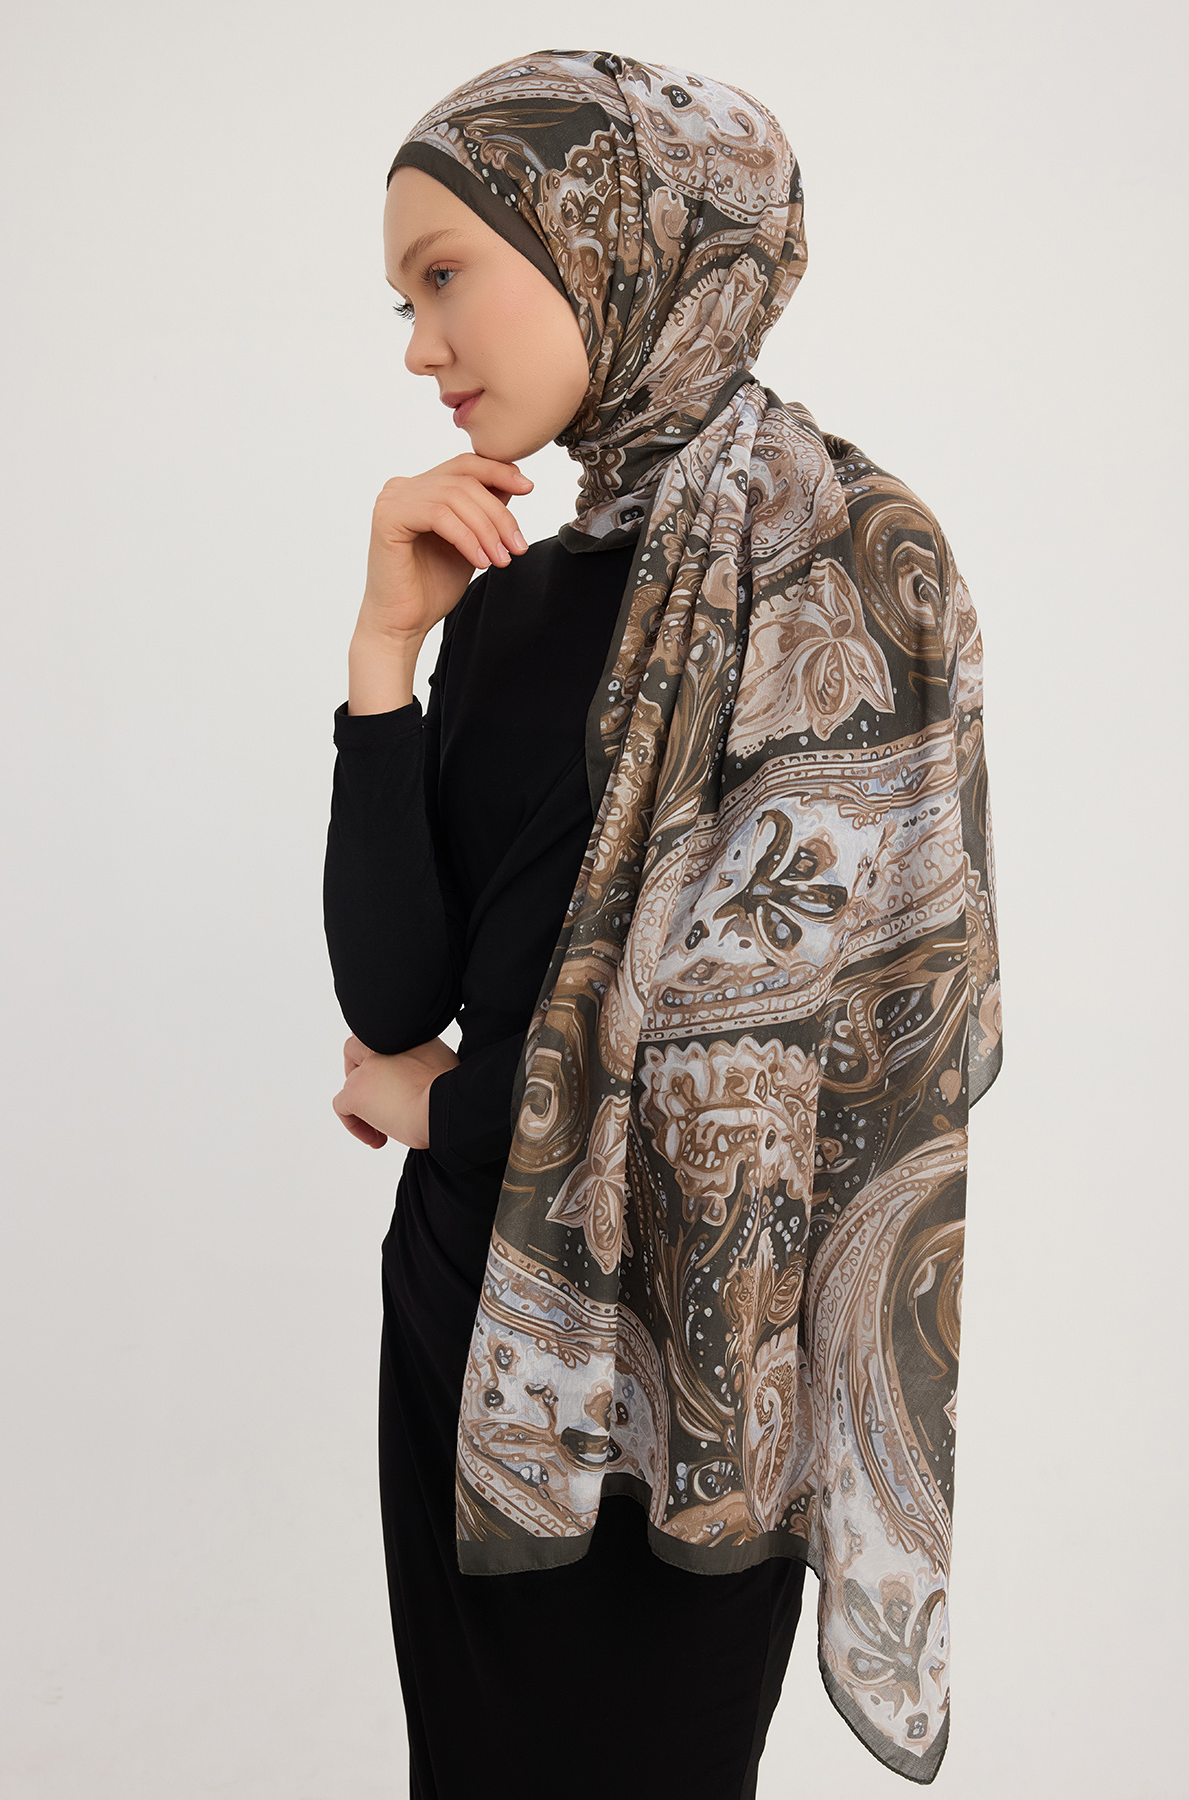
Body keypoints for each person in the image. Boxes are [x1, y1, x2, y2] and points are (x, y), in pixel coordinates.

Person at [324, 49, 999, 1798]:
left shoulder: (850, 562)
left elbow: (776, 1047)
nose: (421, 347)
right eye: (403, 299)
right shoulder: (504, 594)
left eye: (446, 275)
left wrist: (443, 1109)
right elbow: (398, 988)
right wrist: (383, 657)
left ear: (611, 242)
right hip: (467, 1335)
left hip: (697, 1359)